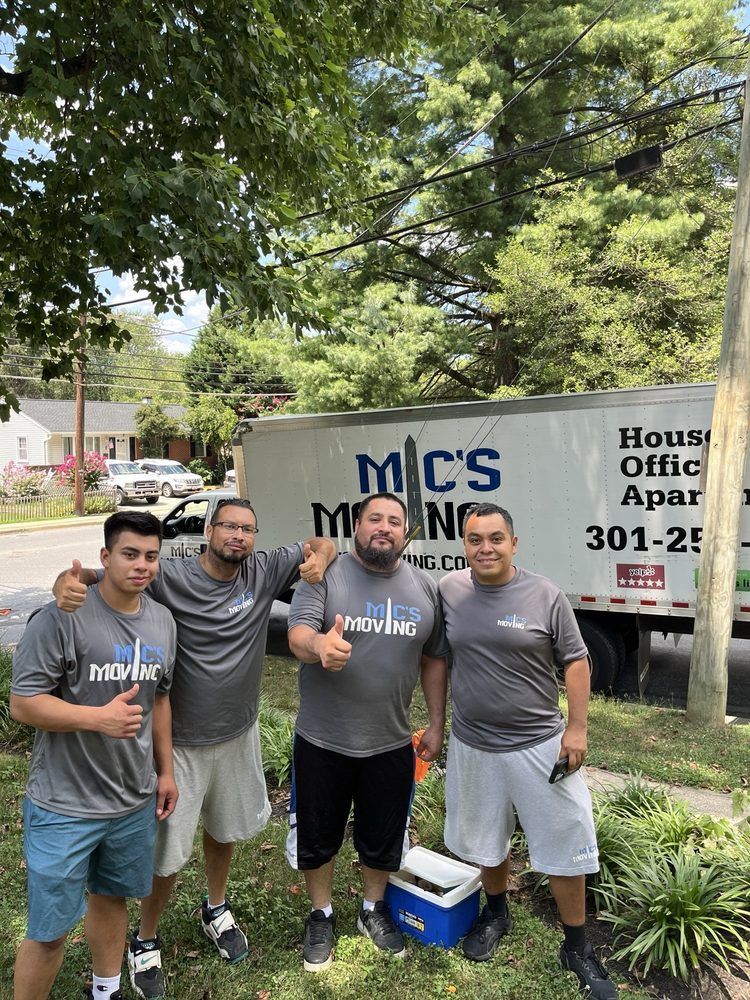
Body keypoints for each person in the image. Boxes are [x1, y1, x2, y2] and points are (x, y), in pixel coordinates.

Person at [54, 496, 336, 999]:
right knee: (166, 854)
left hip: (238, 734)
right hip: (180, 743)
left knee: (224, 831)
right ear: (208, 530)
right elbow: (104, 576)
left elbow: (318, 543)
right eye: (228, 525)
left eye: (247, 528)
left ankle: (216, 906)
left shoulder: (263, 569)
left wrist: (323, 555)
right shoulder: (171, 575)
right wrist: (67, 583)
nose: (238, 536)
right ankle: (145, 938)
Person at [438, 502, 617, 1000]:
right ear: (464, 545)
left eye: (496, 538)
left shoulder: (544, 594)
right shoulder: (450, 591)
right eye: (475, 539)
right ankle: (496, 914)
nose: (486, 547)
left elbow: (577, 662)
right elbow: (436, 657)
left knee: (566, 842)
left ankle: (576, 947)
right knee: (486, 839)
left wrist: (576, 730)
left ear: (514, 543)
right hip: (474, 744)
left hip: (539, 745)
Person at [11, 511, 177, 1000]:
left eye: (151, 556)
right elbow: (23, 702)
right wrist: (95, 718)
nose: (141, 565)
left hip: (131, 801)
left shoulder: (163, 621)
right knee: (50, 930)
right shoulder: (61, 615)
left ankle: (105, 990)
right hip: (65, 805)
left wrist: (165, 771)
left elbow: (161, 699)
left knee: (112, 898)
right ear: (105, 558)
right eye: (129, 554)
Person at [286, 492, 448, 973]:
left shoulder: (424, 587)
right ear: (356, 526)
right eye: (374, 518)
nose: (385, 527)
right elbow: (298, 633)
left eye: (394, 521)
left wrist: (437, 723)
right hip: (322, 738)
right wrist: (320, 645)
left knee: (382, 834)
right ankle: (322, 913)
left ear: (405, 532)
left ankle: (373, 910)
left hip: (391, 740)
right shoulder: (323, 574)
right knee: (318, 834)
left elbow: (434, 657)